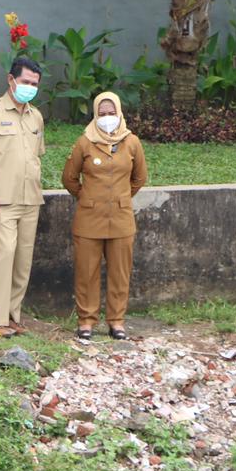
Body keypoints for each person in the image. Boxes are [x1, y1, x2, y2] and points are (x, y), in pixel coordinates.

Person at [61, 91, 148, 341]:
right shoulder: (84, 142)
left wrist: (120, 198)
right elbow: (69, 178)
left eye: (111, 114)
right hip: (89, 218)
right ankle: (86, 320)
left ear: (119, 113)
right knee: (86, 272)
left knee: (120, 272)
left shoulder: (132, 142)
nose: (107, 118)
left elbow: (139, 177)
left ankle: (116, 320)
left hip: (121, 218)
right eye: (102, 114)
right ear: (95, 115)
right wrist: (87, 196)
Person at [0, 56, 45, 336]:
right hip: (1, 199)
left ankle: (14, 314)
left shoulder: (35, 116)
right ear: (11, 79)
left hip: (30, 199)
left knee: (23, 259)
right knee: (4, 255)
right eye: (25, 82)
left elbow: (36, 155)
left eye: (35, 84)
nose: (29, 87)